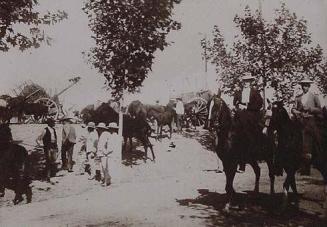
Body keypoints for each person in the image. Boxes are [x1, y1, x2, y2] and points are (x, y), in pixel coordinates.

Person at [233, 73, 263, 173]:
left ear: (251, 82)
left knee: (249, 134)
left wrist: (247, 107)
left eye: (248, 81)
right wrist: (237, 106)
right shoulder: (238, 92)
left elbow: (259, 105)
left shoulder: (255, 92)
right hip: (240, 116)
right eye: (245, 81)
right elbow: (235, 102)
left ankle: (252, 156)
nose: (246, 83)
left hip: (251, 116)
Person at [291, 77, 322, 175]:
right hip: (301, 121)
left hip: (311, 121)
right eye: (304, 86)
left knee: (316, 140)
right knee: (300, 141)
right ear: (301, 86)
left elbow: (319, 109)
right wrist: (296, 112)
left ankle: (318, 161)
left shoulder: (314, 96)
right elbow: (293, 108)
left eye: (307, 86)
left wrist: (310, 109)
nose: (305, 87)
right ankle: (302, 165)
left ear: (309, 86)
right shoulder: (298, 97)